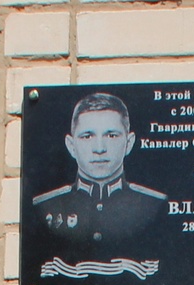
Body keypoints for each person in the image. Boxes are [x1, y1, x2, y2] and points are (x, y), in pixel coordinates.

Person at [30, 90, 165, 253]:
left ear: (129, 143)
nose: (99, 148)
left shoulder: (155, 206)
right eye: (87, 136)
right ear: (71, 145)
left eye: (111, 136)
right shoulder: (43, 207)